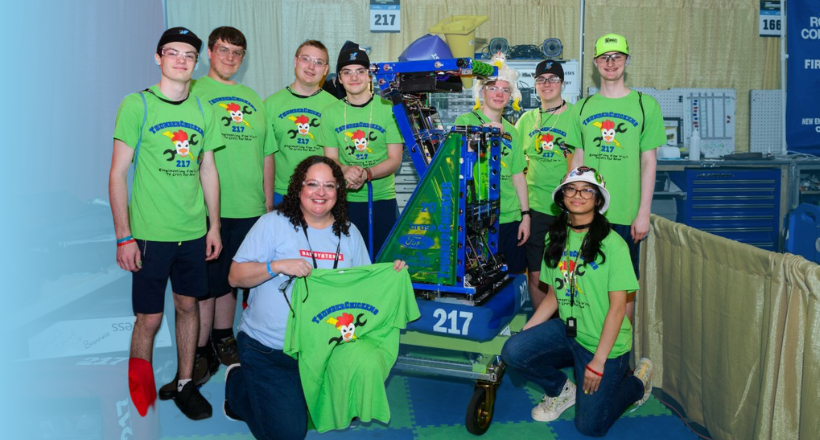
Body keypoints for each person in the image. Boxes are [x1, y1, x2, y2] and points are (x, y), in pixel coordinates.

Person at [222, 155, 405, 439]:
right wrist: (277, 266)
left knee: (334, 413)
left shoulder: (349, 234)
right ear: (298, 189)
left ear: (338, 192)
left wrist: (389, 275)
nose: (320, 192)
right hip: (270, 349)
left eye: (329, 186)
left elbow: (361, 290)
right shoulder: (273, 224)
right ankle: (237, 384)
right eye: (312, 184)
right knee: (289, 434)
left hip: (325, 350)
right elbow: (235, 276)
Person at [109, 27, 223, 420]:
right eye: (172, 53)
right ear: (158, 58)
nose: (180, 60)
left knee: (188, 306)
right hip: (148, 235)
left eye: (189, 55)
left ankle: (185, 382)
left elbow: (208, 168)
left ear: (196, 63)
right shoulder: (137, 105)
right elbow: (117, 174)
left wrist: (214, 227)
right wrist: (124, 237)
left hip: (192, 232)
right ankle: (139, 396)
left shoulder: (204, 109)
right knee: (149, 318)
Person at [157, 26, 274, 400]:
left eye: (237, 52)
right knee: (204, 285)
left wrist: (268, 205)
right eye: (223, 50)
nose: (230, 57)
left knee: (232, 281)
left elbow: (267, 155)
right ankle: (201, 349)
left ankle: (224, 339)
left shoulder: (253, 99)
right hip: (210, 211)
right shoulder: (192, 93)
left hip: (251, 207)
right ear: (209, 52)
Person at [501, 166, 654, 437]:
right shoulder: (555, 238)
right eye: (571, 189)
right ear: (562, 197)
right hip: (569, 332)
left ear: (598, 200)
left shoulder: (614, 245)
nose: (578, 195)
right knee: (514, 350)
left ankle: (637, 384)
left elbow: (618, 310)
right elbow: (553, 297)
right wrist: (528, 332)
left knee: (590, 426)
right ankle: (561, 390)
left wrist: (598, 362)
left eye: (587, 190)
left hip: (603, 343)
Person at [567, 33, 666, 321]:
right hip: (588, 213)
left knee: (622, 289)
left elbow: (649, 162)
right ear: (596, 63)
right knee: (585, 284)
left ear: (626, 60)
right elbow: (578, 160)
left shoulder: (645, 105)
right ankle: (589, 346)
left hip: (625, 213)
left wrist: (643, 213)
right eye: (604, 58)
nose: (610, 63)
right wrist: (571, 205)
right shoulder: (582, 108)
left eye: (617, 57)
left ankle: (620, 358)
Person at [319, 46, 404, 257]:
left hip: (382, 200)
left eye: (360, 71)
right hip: (344, 201)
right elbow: (330, 160)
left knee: (384, 262)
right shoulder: (330, 113)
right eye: (347, 72)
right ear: (339, 78)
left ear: (369, 75)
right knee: (348, 262)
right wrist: (346, 170)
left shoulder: (389, 108)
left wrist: (367, 174)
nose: (353, 77)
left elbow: (395, 159)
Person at [454, 53, 530, 274]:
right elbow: (458, 162)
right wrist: (485, 134)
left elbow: (518, 176)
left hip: (510, 217)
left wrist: (525, 216)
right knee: (481, 280)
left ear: (511, 95)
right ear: (482, 91)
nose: (499, 94)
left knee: (511, 278)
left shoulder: (513, 132)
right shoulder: (465, 122)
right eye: (493, 88)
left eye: (505, 89)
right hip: (477, 219)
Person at [515, 60, 577, 309]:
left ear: (562, 83)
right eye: (541, 79)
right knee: (537, 274)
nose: (547, 84)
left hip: (569, 207)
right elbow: (515, 163)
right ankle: (544, 327)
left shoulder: (576, 115)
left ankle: (568, 325)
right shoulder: (526, 120)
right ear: (535, 85)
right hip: (537, 206)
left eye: (553, 78)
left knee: (567, 272)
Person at [265, 40, 338, 206]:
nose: (311, 67)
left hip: (321, 196)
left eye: (318, 62)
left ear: (326, 70)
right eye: (306, 59)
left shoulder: (336, 107)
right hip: (281, 194)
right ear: (295, 61)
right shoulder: (270, 105)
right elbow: (264, 157)